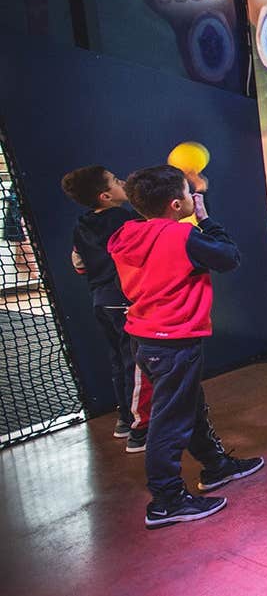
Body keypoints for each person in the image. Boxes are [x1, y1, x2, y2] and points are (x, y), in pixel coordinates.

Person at [108, 165, 264, 528]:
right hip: (174, 341)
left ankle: (215, 466)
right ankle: (165, 501)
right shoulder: (182, 237)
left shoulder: (126, 234)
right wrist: (206, 217)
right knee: (169, 422)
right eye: (188, 194)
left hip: (146, 339)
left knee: (188, 405)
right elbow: (228, 256)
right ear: (177, 204)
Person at [60, 166, 152, 452]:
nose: (122, 181)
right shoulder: (124, 221)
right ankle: (139, 430)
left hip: (101, 301)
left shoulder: (82, 224)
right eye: (115, 181)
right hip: (124, 301)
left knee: (118, 360)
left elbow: (79, 265)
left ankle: (124, 419)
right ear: (105, 196)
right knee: (135, 364)